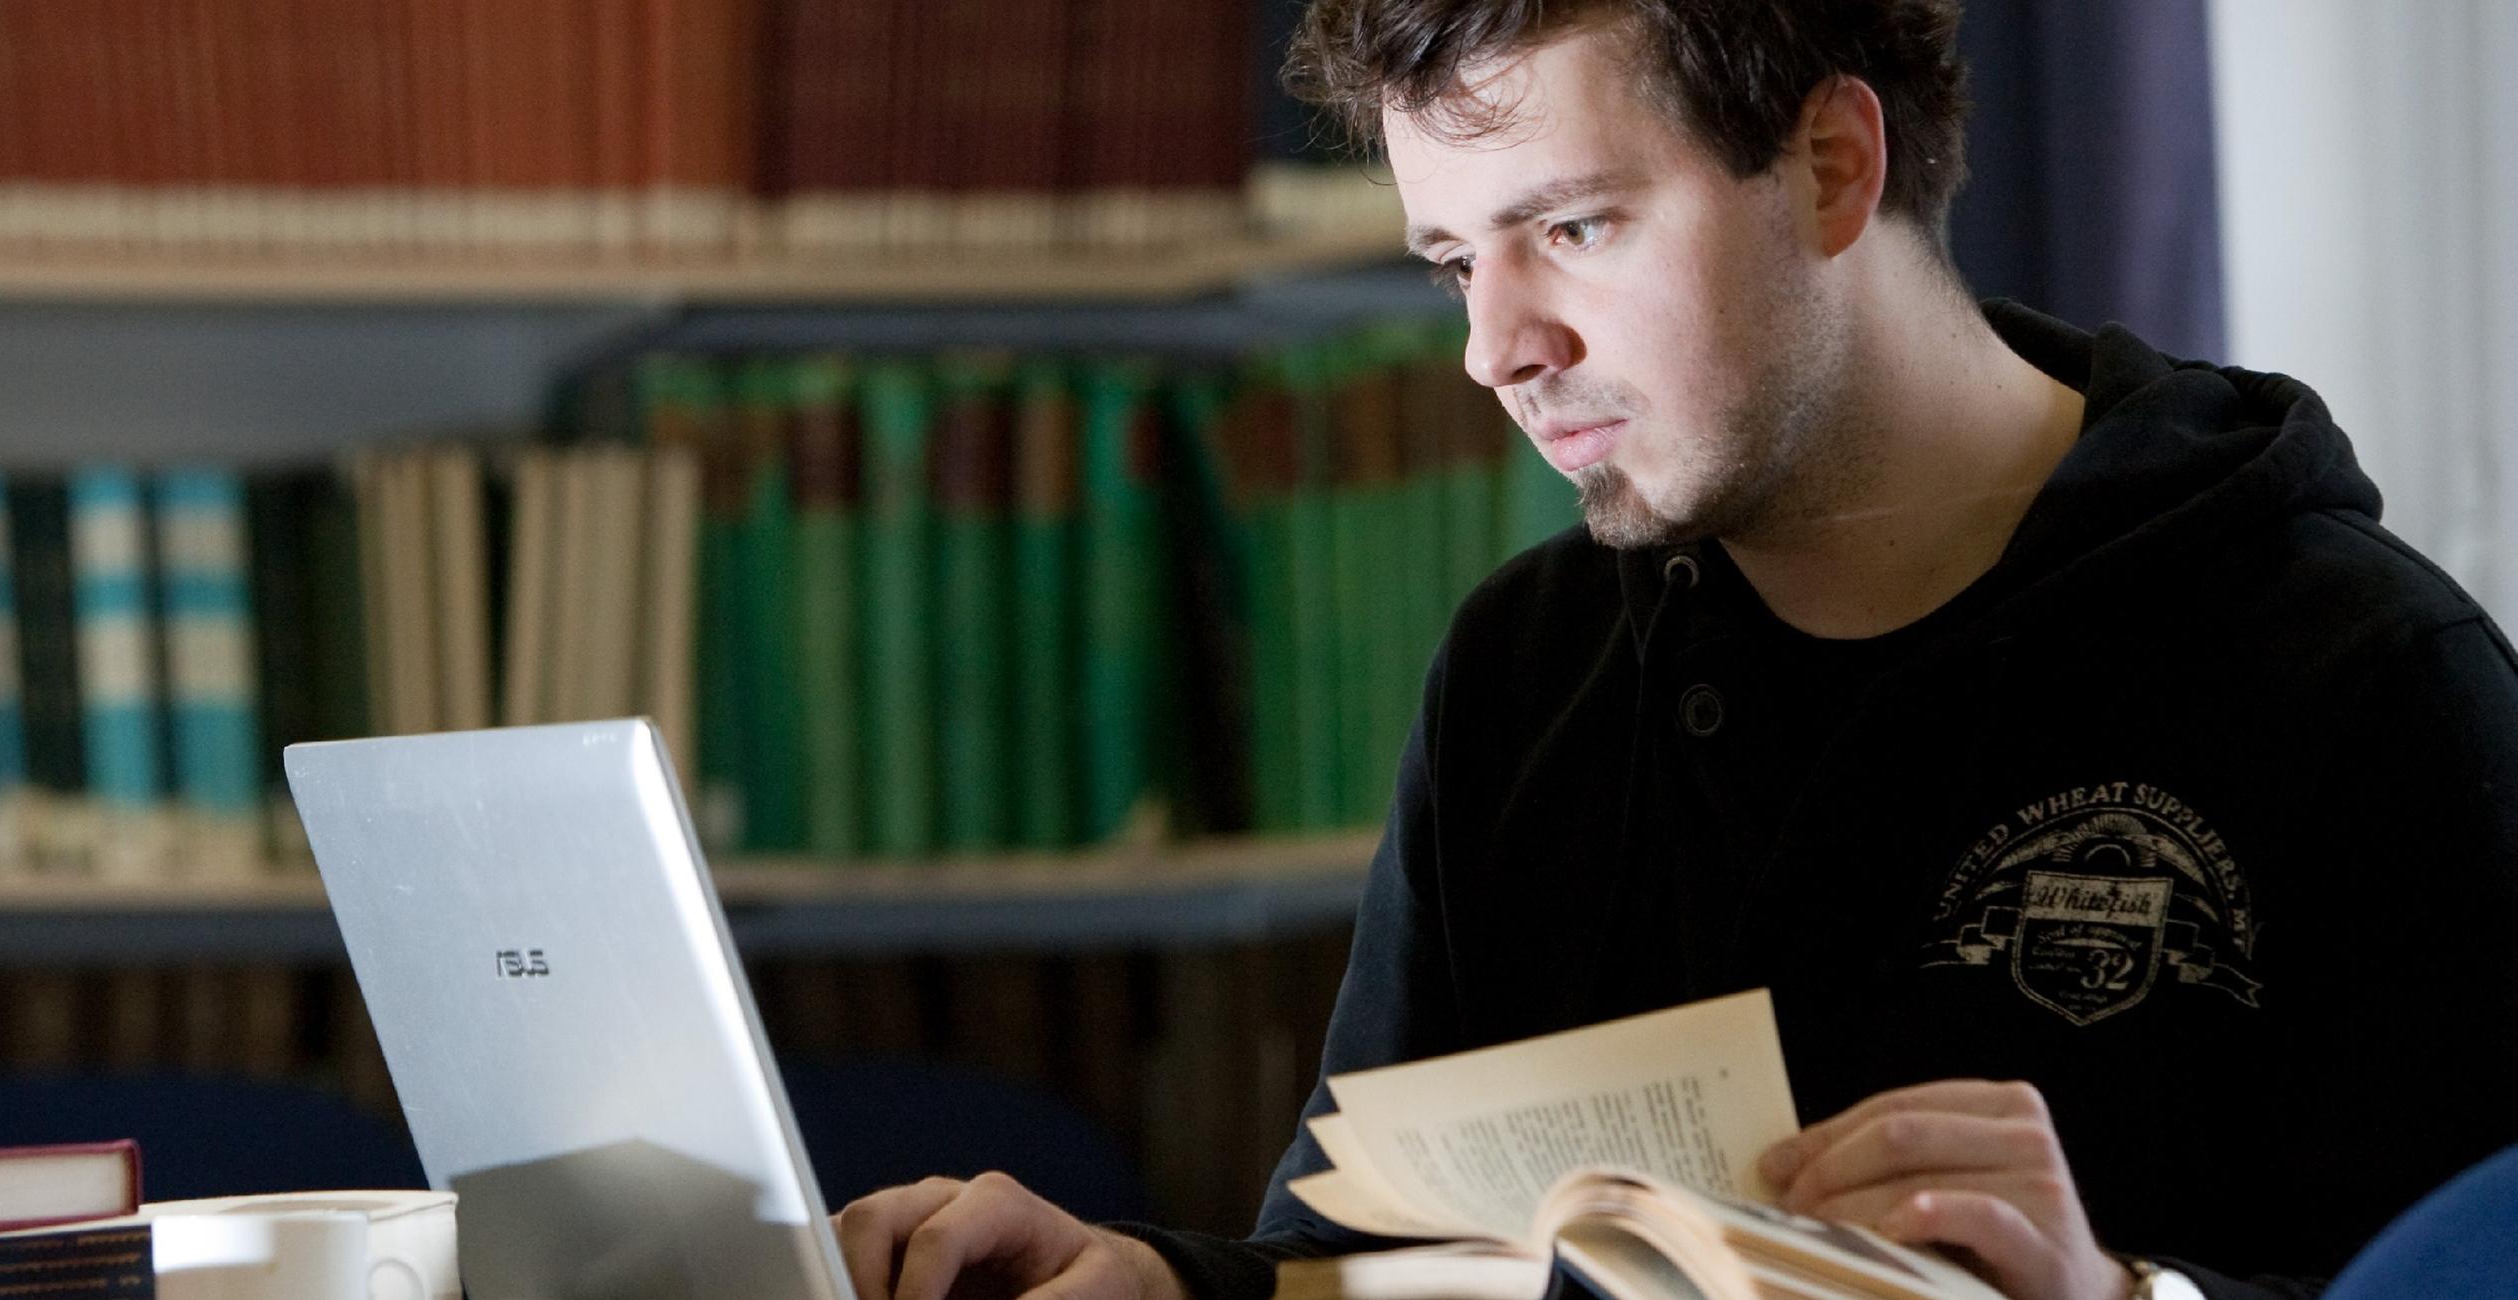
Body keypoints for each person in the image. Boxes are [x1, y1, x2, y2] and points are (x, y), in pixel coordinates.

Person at [831, 3, 2518, 1299]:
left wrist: (2124, 1296)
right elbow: (1380, 1266)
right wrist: (1163, 1285)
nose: (1496, 348)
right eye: (1455, 262)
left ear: (1833, 167)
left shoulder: (2365, 674)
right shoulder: (1525, 667)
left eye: (1573, 228)